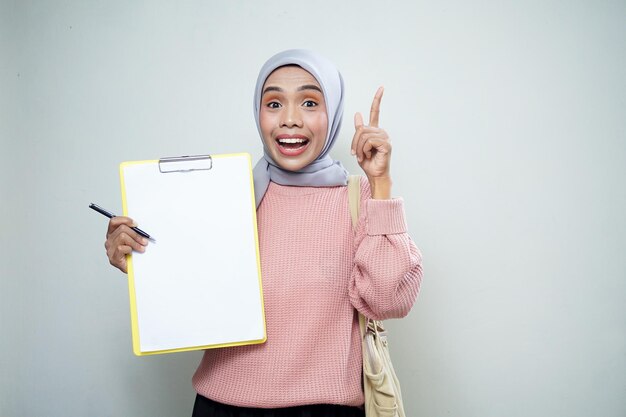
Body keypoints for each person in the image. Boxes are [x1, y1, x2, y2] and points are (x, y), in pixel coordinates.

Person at [104, 49, 423, 417]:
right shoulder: (225, 193)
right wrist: (139, 259)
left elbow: (389, 300)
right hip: (223, 408)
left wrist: (381, 182)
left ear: (332, 113)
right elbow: (194, 293)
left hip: (326, 411)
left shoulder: (361, 197)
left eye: (308, 102)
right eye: (273, 103)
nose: (289, 119)